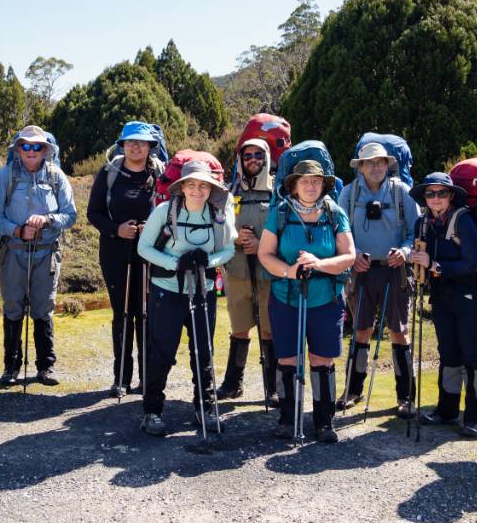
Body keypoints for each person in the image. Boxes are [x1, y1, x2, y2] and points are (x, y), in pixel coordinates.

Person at [258, 160, 356, 443]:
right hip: (286, 297)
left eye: (316, 181)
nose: (311, 186)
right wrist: (289, 271)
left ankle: (324, 421)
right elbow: (265, 254)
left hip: (325, 298)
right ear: (294, 185)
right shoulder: (279, 214)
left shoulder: (335, 213)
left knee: (321, 359)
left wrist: (319, 263)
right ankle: (288, 419)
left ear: (323, 184)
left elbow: (349, 255)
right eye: (305, 181)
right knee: (288, 358)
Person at [136, 160, 236, 437]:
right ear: (182, 187)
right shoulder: (164, 211)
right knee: (161, 352)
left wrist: (209, 260)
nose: (197, 190)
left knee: (203, 351)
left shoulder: (218, 213)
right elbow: (143, 248)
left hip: (202, 291)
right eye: (191, 184)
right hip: (165, 290)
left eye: (203, 185)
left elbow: (228, 248)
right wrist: (174, 263)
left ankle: (205, 408)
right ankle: (152, 411)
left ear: (210, 188)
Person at [335, 142, 420, 417]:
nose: (376, 167)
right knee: (361, 329)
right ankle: (352, 390)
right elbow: (339, 231)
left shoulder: (402, 192)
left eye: (381, 162)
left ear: (388, 165)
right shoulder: (348, 194)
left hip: (395, 270)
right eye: (369, 162)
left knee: (400, 331)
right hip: (361, 270)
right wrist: (353, 254)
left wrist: (405, 252)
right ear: (360, 166)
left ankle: (406, 397)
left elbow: (415, 232)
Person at [0, 125, 77, 386]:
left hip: (46, 254)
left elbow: (70, 215)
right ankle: (11, 367)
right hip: (13, 252)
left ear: (45, 150)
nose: (31, 151)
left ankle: (45, 367)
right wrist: (17, 230)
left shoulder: (57, 176)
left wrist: (48, 220)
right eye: (25, 146)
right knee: (13, 308)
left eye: (37, 147)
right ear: (17, 149)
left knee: (43, 308)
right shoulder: (6, 176)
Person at [411, 173, 477, 438]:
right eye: (430, 194)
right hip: (443, 297)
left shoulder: (464, 221)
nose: (436, 198)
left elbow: (470, 263)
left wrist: (435, 266)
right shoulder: (422, 223)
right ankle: (446, 411)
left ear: (451, 196)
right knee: (448, 354)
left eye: (442, 193)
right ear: (424, 198)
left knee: (474, 357)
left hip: (474, 297)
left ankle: (475, 418)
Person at [87, 122, 164, 397]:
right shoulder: (108, 174)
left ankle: (147, 378)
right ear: (122, 145)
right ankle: (121, 378)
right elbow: (93, 213)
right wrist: (116, 229)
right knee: (122, 314)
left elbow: (168, 210)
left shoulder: (159, 174)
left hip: (150, 254)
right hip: (114, 252)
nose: (135, 147)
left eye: (141, 143)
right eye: (130, 142)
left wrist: (150, 231)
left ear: (150, 146)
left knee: (146, 314)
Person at [215, 138, 279, 407]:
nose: (252, 159)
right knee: (239, 327)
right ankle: (233, 384)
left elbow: (286, 230)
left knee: (269, 329)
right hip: (237, 270)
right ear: (240, 160)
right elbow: (217, 229)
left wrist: (261, 244)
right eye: (247, 155)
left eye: (258, 155)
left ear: (266, 158)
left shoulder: (279, 191)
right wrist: (235, 239)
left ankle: (273, 388)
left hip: (269, 272)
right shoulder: (228, 192)